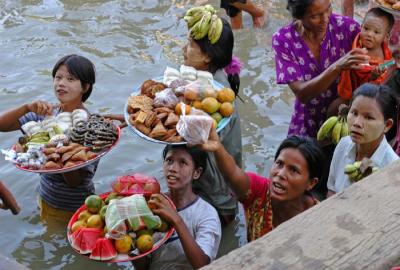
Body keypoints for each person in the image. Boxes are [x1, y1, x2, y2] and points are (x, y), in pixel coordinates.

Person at [0, 54, 97, 221]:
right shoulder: (46, 115)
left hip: (73, 206)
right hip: (46, 195)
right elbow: (2, 125)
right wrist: (26, 108)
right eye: (58, 77)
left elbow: (75, 182)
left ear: (85, 87)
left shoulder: (89, 126)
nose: (61, 83)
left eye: (70, 79)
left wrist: (61, 152)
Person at [200, 133, 324, 241]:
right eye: (279, 164)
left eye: (293, 170)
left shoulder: (318, 217)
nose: (280, 174)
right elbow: (233, 173)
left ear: (311, 183)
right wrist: (217, 147)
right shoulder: (260, 192)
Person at [273, 0, 369, 138]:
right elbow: (302, 94)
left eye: (328, 8)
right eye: (315, 16)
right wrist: (337, 67)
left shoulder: (347, 27)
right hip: (307, 118)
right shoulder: (283, 40)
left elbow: (378, 59)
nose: (326, 19)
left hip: (346, 117)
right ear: (299, 16)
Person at [182, 6, 242, 225]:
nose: (183, 49)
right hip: (209, 188)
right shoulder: (207, 80)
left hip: (216, 199)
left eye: (190, 44)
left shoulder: (214, 94)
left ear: (207, 55)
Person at [133, 145, 221, 270]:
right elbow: (144, 266)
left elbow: (203, 265)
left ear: (196, 173)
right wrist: (131, 245)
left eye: (183, 163)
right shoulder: (153, 204)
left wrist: (176, 220)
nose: (172, 168)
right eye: (169, 161)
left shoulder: (206, 214)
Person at [327, 83, 399, 197]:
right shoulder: (343, 144)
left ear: (387, 125)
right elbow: (331, 190)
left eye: (369, 117)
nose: (357, 123)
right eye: (354, 113)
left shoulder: (392, 168)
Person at [337, 7, 394, 101]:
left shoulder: (385, 50)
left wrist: (383, 68)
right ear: (361, 26)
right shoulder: (357, 51)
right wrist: (372, 76)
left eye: (376, 32)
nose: (369, 34)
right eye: (366, 28)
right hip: (359, 95)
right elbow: (357, 77)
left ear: (386, 36)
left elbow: (390, 62)